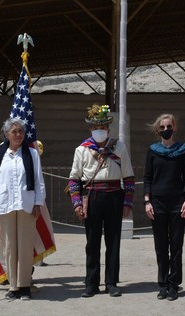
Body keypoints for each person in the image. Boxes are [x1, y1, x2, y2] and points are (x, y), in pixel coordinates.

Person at [68, 103, 135, 298]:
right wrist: (77, 203)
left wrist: (127, 202)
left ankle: (112, 283)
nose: (100, 130)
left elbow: (129, 177)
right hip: (92, 196)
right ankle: (91, 283)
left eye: (104, 127)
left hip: (115, 195)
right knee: (92, 242)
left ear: (108, 127)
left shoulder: (119, 146)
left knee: (114, 241)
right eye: (96, 127)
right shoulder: (81, 149)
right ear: (90, 128)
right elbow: (74, 178)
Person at [0, 118, 46, 300]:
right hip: (5, 206)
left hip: (26, 205)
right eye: (14, 132)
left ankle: (25, 286)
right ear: (6, 134)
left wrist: (38, 203)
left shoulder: (32, 154)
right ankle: (13, 286)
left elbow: (38, 179)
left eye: (20, 131)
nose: (18, 135)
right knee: (9, 248)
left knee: (26, 247)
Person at [143, 113, 185, 301]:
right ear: (158, 130)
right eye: (162, 127)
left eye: (168, 126)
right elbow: (147, 177)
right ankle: (162, 284)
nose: (166, 130)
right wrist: (147, 201)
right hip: (158, 204)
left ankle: (174, 285)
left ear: (174, 127)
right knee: (161, 246)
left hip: (178, 204)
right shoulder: (153, 150)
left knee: (177, 246)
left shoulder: (182, 150)